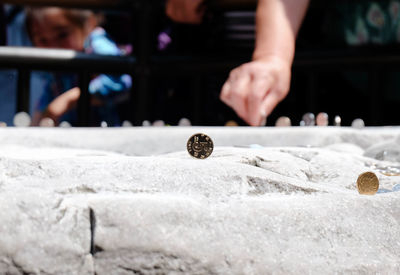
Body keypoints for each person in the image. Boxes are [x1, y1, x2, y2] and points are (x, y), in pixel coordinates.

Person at [25, 7, 132, 126]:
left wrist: (69, 100)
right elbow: (48, 101)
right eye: (42, 40)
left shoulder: (95, 42)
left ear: (89, 24)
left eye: (62, 35)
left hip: (105, 135)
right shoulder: (55, 66)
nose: (53, 46)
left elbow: (118, 80)